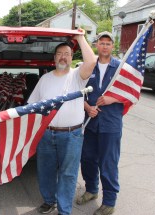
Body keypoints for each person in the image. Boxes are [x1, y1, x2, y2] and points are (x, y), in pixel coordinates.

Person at [27, 31, 96, 215]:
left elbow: (91, 62)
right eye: (59, 54)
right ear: (54, 57)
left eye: (67, 54)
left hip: (72, 135)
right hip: (46, 134)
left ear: (72, 57)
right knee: (45, 170)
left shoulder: (77, 77)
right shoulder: (45, 79)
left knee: (68, 173)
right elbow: (31, 106)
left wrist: (80, 38)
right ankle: (49, 201)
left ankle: (64, 210)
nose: (63, 57)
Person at [76, 31, 122, 215]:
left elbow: (132, 94)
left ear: (112, 46)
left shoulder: (120, 68)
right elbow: (77, 92)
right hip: (90, 122)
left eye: (108, 43)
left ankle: (109, 201)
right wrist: (87, 107)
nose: (104, 46)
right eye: (101, 43)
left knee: (108, 162)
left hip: (110, 124)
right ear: (96, 45)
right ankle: (91, 190)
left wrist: (113, 99)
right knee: (87, 159)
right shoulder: (88, 66)